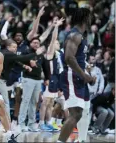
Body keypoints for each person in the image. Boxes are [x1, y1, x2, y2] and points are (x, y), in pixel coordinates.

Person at [57, 8, 96, 142]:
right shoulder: (75, 35)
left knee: (85, 110)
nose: (91, 19)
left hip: (79, 75)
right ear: (85, 18)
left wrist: (87, 72)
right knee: (76, 113)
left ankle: (82, 140)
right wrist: (85, 76)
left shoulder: (81, 35)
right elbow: (69, 58)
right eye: (90, 17)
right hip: (71, 76)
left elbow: (78, 58)